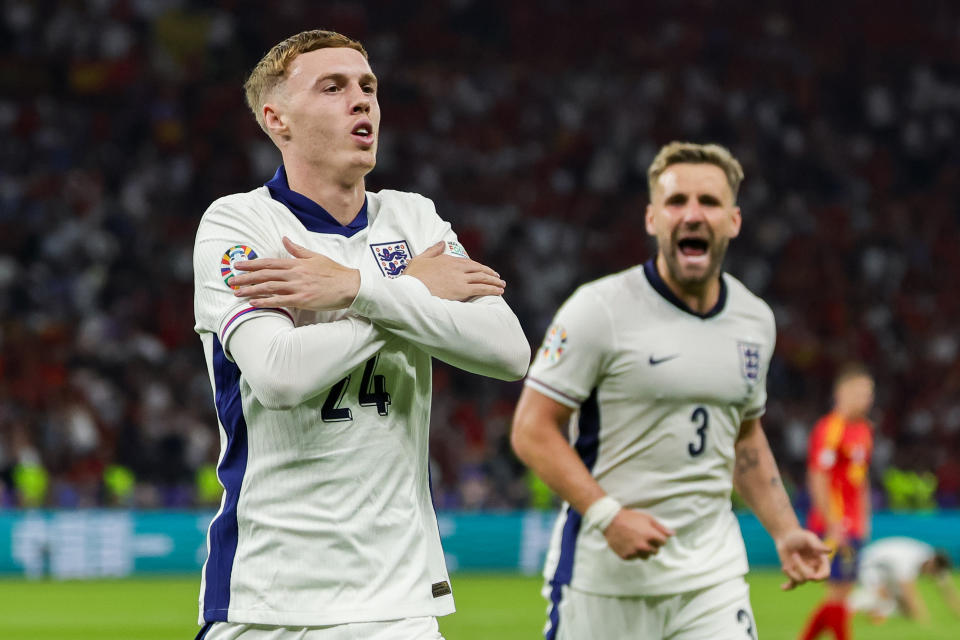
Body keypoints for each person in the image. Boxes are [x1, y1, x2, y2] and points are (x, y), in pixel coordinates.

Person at [192, 30, 530, 640]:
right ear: (277, 120)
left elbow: (509, 352)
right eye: (333, 87)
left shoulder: (413, 216)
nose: (362, 101)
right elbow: (280, 374)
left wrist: (355, 287)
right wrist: (411, 286)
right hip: (269, 597)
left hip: (399, 601)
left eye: (368, 87)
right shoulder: (238, 223)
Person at [510, 141, 830, 640]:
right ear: (652, 218)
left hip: (712, 576)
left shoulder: (755, 320)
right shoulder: (599, 310)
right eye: (677, 202)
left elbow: (744, 438)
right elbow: (531, 429)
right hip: (604, 581)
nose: (693, 214)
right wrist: (608, 515)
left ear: (734, 221)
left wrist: (786, 530)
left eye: (709, 202)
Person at [799, 365, 875, 640]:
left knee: (841, 593)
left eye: (869, 393)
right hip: (835, 522)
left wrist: (864, 519)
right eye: (861, 392)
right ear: (842, 393)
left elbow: (861, 478)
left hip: (853, 523)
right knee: (839, 591)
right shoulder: (830, 428)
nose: (867, 399)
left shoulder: (864, 430)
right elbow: (818, 475)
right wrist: (832, 523)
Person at [850, 536, 960, 623]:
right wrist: (923, 619)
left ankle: (875, 615)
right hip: (870, 563)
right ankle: (848, 605)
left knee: (899, 605)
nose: (932, 575)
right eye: (933, 571)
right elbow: (909, 592)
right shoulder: (910, 559)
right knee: (882, 597)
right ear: (932, 562)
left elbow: (948, 591)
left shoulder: (934, 560)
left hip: (888, 571)